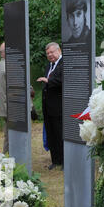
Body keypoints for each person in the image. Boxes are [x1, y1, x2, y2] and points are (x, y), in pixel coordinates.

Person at [37, 42, 63, 170]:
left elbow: (63, 80)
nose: (50, 55)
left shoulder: (64, 64)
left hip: (59, 107)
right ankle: (55, 160)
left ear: (59, 51)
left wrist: (48, 80)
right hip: (48, 107)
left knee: (60, 134)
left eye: (52, 52)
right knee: (51, 134)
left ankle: (64, 161)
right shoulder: (49, 66)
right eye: (47, 53)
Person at [0, 42, 8, 153]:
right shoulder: (7, 67)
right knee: (10, 135)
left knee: (7, 133)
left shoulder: (1, 64)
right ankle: (6, 157)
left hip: (3, 106)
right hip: (8, 105)